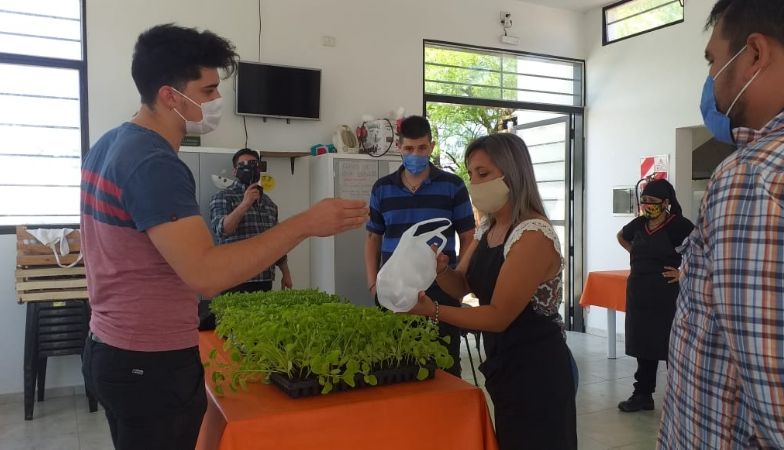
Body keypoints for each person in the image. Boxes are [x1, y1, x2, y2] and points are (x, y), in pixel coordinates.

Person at [80, 24, 367, 450]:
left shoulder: (110, 143)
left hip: (113, 345)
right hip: (148, 361)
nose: (217, 102)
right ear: (170, 96)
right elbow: (207, 274)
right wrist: (306, 223)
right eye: (209, 90)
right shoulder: (153, 162)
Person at [658, 0, 784, 447]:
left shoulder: (752, 176)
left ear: (754, 54)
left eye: (713, 59)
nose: (711, 77)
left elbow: (773, 387)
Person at [409, 133, 576, 449]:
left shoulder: (532, 234)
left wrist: (433, 310)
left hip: (537, 369)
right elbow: (462, 285)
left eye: (483, 174)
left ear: (512, 173)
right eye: (470, 175)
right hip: (504, 364)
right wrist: (440, 269)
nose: (475, 183)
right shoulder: (488, 228)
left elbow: (498, 316)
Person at [365, 115, 475, 378]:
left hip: (441, 293)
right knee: (395, 367)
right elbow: (372, 239)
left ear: (432, 147)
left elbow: (469, 238)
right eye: (409, 149)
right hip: (393, 291)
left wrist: (460, 284)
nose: (416, 154)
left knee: (444, 368)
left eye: (422, 148)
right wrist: (373, 285)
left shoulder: (453, 186)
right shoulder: (382, 189)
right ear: (399, 148)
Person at [615, 179, 693, 412]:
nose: (647, 205)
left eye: (652, 201)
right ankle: (642, 395)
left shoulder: (679, 226)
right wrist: (636, 252)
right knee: (644, 344)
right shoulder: (639, 224)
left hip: (667, 295)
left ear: (666, 203)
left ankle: (680, 398)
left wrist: (683, 272)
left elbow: (701, 250)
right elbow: (621, 236)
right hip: (639, 292)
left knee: (672, 345)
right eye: (644, 201)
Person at [210, 148, 292, 293]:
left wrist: (286, 272)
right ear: (235, 171)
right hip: (233, 278)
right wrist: (245, 204)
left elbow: (276, 241)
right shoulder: (223, 197)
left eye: (253, 164)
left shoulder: (269, 204)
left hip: (264, 278)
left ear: (259, 169)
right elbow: (221, 230)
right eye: (244, 165)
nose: (249, 168)